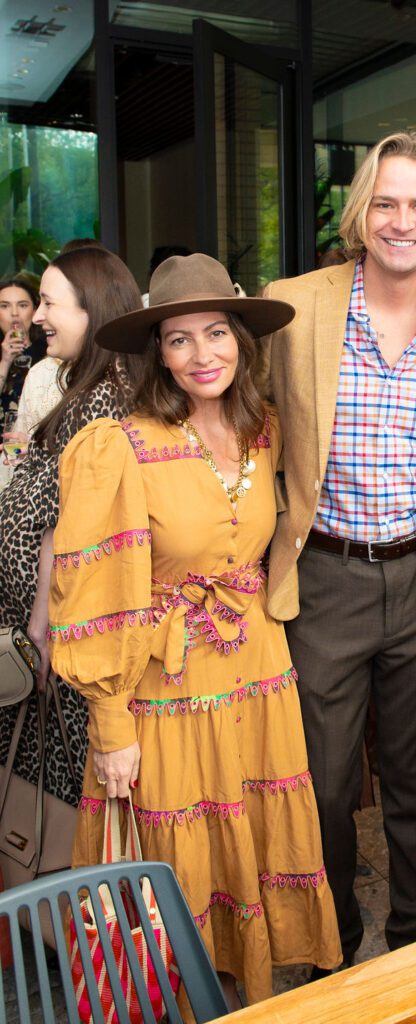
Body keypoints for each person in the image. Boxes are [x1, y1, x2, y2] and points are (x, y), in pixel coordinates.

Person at [48, 253, 341, 1009]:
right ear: (159, 354)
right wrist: (110, 723)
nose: (201, 353)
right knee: (169, 870)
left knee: (249, 838)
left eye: (216, 332)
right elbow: (87, 595)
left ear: (242, 342)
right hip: (162, 688)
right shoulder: (121, 445)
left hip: (255, 670)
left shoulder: (265, 430)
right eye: (178, 340)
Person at [259, 131, 416, 968]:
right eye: (386, 203)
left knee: (415, 776)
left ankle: (411, 927)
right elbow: (241, 414)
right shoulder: (292, 306)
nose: (403, 221)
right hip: (323, 577)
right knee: (323, 783)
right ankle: (335, 937)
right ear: (362, 211)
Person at [0, 247, 143, 810]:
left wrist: (41, 627)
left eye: (51, 304)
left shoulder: (106, 399)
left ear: (94, 312)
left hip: (57, 640)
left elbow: (69, 530)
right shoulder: (82, 381)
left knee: (59, 781)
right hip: (42, 638)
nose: (37, 316)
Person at [0, 277, 47, 491]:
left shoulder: (49, 350)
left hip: (34, 456)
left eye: (22, 305)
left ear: (35, 311)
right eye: (4, 306)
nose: (14, 314)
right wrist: (5, 361)